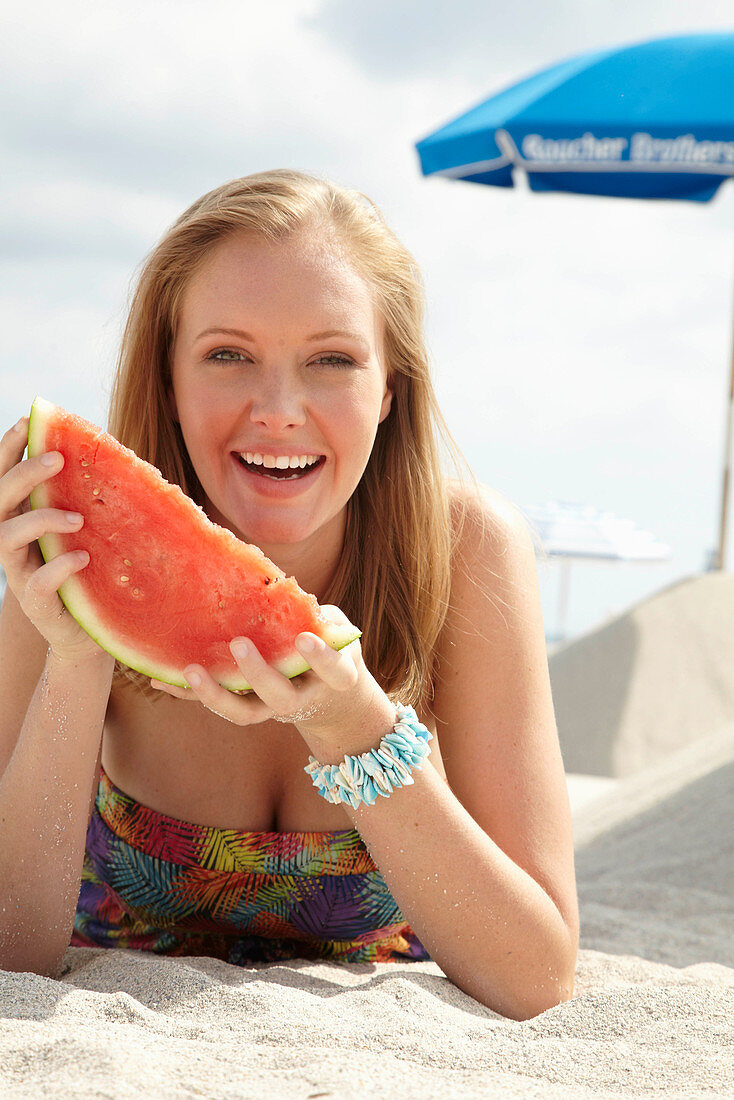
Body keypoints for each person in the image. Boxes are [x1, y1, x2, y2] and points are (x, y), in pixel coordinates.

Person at [0, 171, 578, 1020]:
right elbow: (12, 953)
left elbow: (537, 977)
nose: (278, 410)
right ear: (168, 375)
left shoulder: (467, 553)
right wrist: (81, 652)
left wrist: (358, 732)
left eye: (332, 359)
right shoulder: (75, 539)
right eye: (228, 354)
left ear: (390, 391)